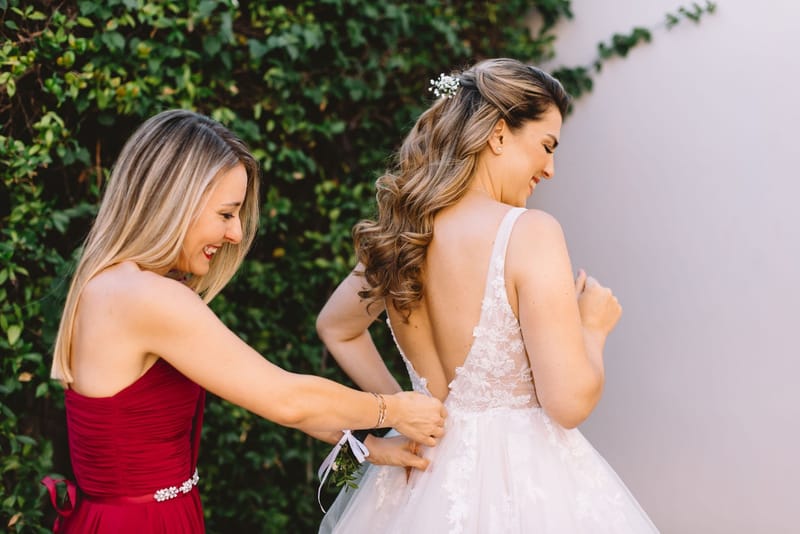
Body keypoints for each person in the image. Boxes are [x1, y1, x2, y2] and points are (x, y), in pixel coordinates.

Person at [42, 109, 446, 533]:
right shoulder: (148, 298)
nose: (236, 233)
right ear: (176, 201)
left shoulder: (110, 284)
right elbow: (285, 399)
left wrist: (372, 447)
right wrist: (394, 408)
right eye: (226, 213)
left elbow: (281, 402)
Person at [316, 58, 659, 532]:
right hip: (524, 486)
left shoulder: (399, 235)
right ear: (498, 135)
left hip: (420, 480)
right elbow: (568, 402)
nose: (551, 169)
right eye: (546, 146)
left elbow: (336, 327)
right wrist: (593, 328)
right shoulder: (530, 232)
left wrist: (406, 410)